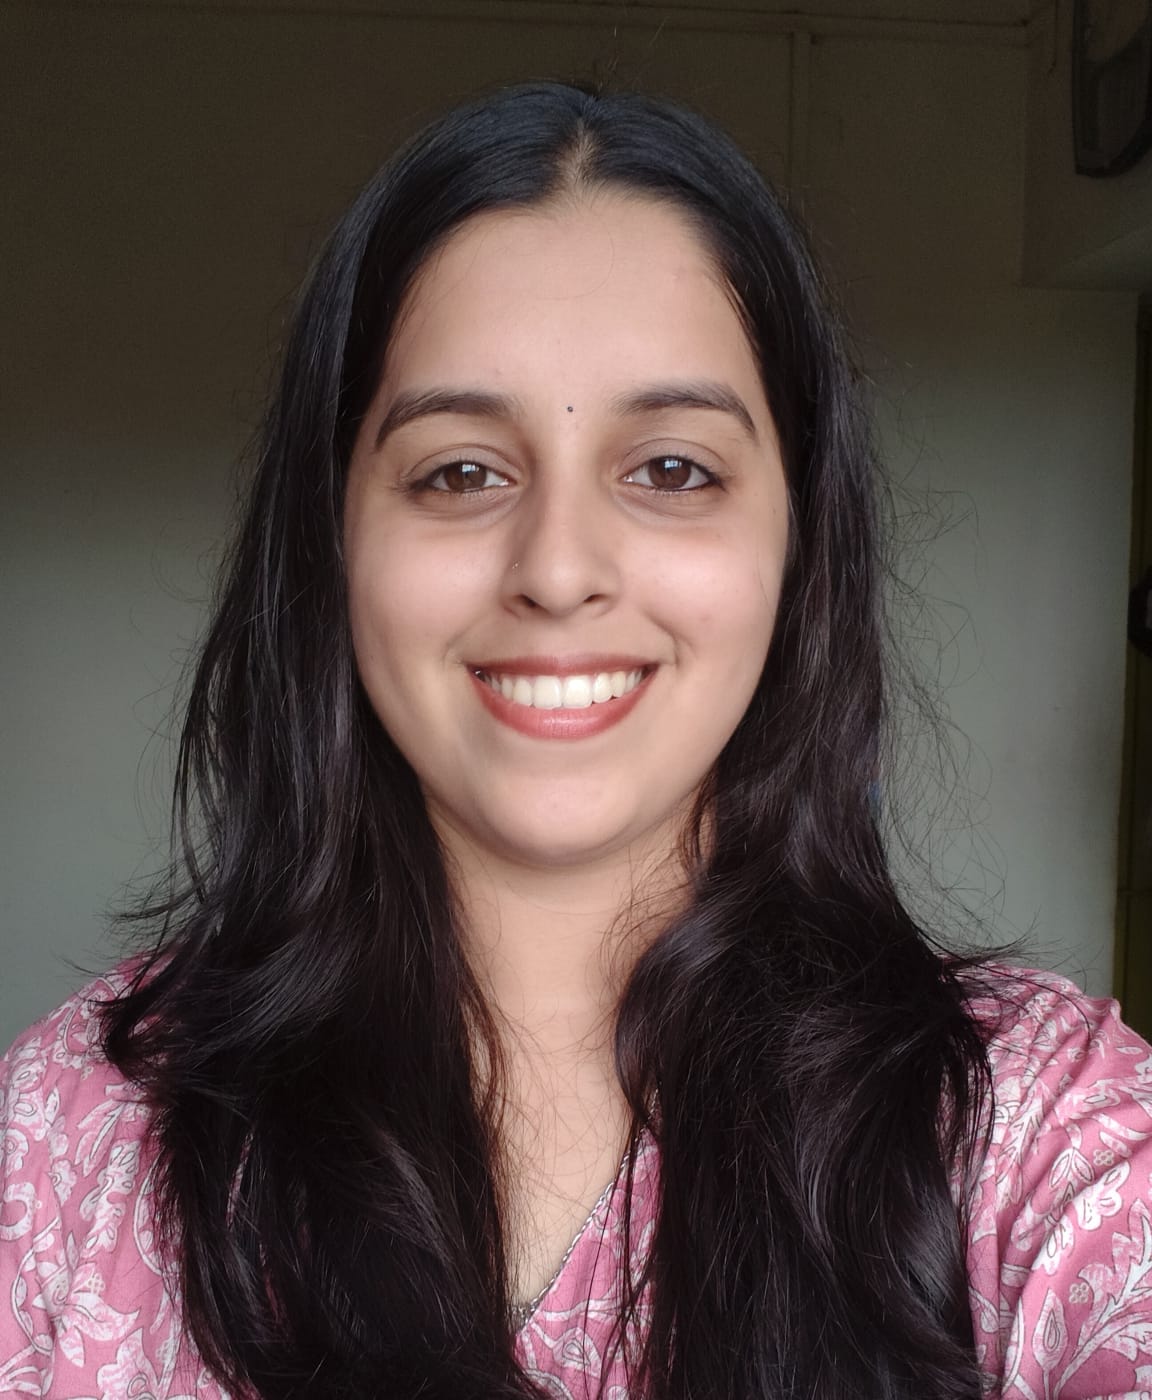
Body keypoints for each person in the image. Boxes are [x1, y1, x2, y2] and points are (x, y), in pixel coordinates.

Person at [2, 81, 1150, 1400]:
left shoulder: (1035, 1131)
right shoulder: (72, 1139)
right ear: (334, 537)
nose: (556, 570)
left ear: (797, 540)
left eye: (671, 469)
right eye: (459, 472)